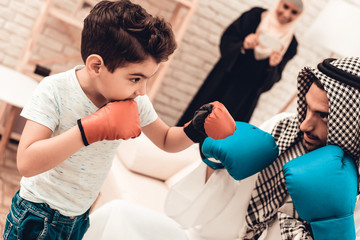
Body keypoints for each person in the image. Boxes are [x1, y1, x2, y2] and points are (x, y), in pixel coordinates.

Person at [2, 1, 237, 239]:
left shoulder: (133, 101)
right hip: (37, 213)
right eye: (135, 78)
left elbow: (166, 140)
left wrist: (196, 129)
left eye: (147, 79)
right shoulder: (55, 90)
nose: (143, 90)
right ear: (96, 66)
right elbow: (26, 162)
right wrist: (87, 131)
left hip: (79, 215)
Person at [83, 56, 360, 240]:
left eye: (323, 116)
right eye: (307, 108)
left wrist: (333, 225)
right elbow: (208, 203)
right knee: (116, 216)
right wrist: (213, 161)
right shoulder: (282, 129)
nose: (305, 125)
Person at [177, 0, 305, 126]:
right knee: (197, 123)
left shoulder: (291, 44)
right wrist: (243, 45)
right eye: (285, 6)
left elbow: (268, 84)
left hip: (244, 99)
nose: (287, 14)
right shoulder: (254, 16)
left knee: (224, 136)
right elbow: (226, 41)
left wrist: (272, 66)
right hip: (222, 81)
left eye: (294, 12)